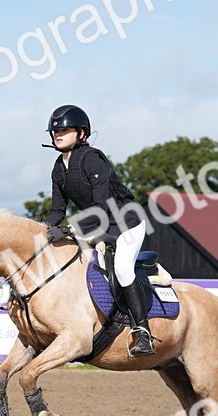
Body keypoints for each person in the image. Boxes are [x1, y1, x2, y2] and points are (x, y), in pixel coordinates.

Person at [41, 104, 153, 357]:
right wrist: (43, 232)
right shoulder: (59, 168)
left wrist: (69, 231)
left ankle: (142, 331)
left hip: (126, 223)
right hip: (99, 225)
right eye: (55, 132)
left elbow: (102, 208)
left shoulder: (92, 158)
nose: (58, 135)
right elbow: (57, 209)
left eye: (65, 130)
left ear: (81, 132)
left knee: (123, 269)